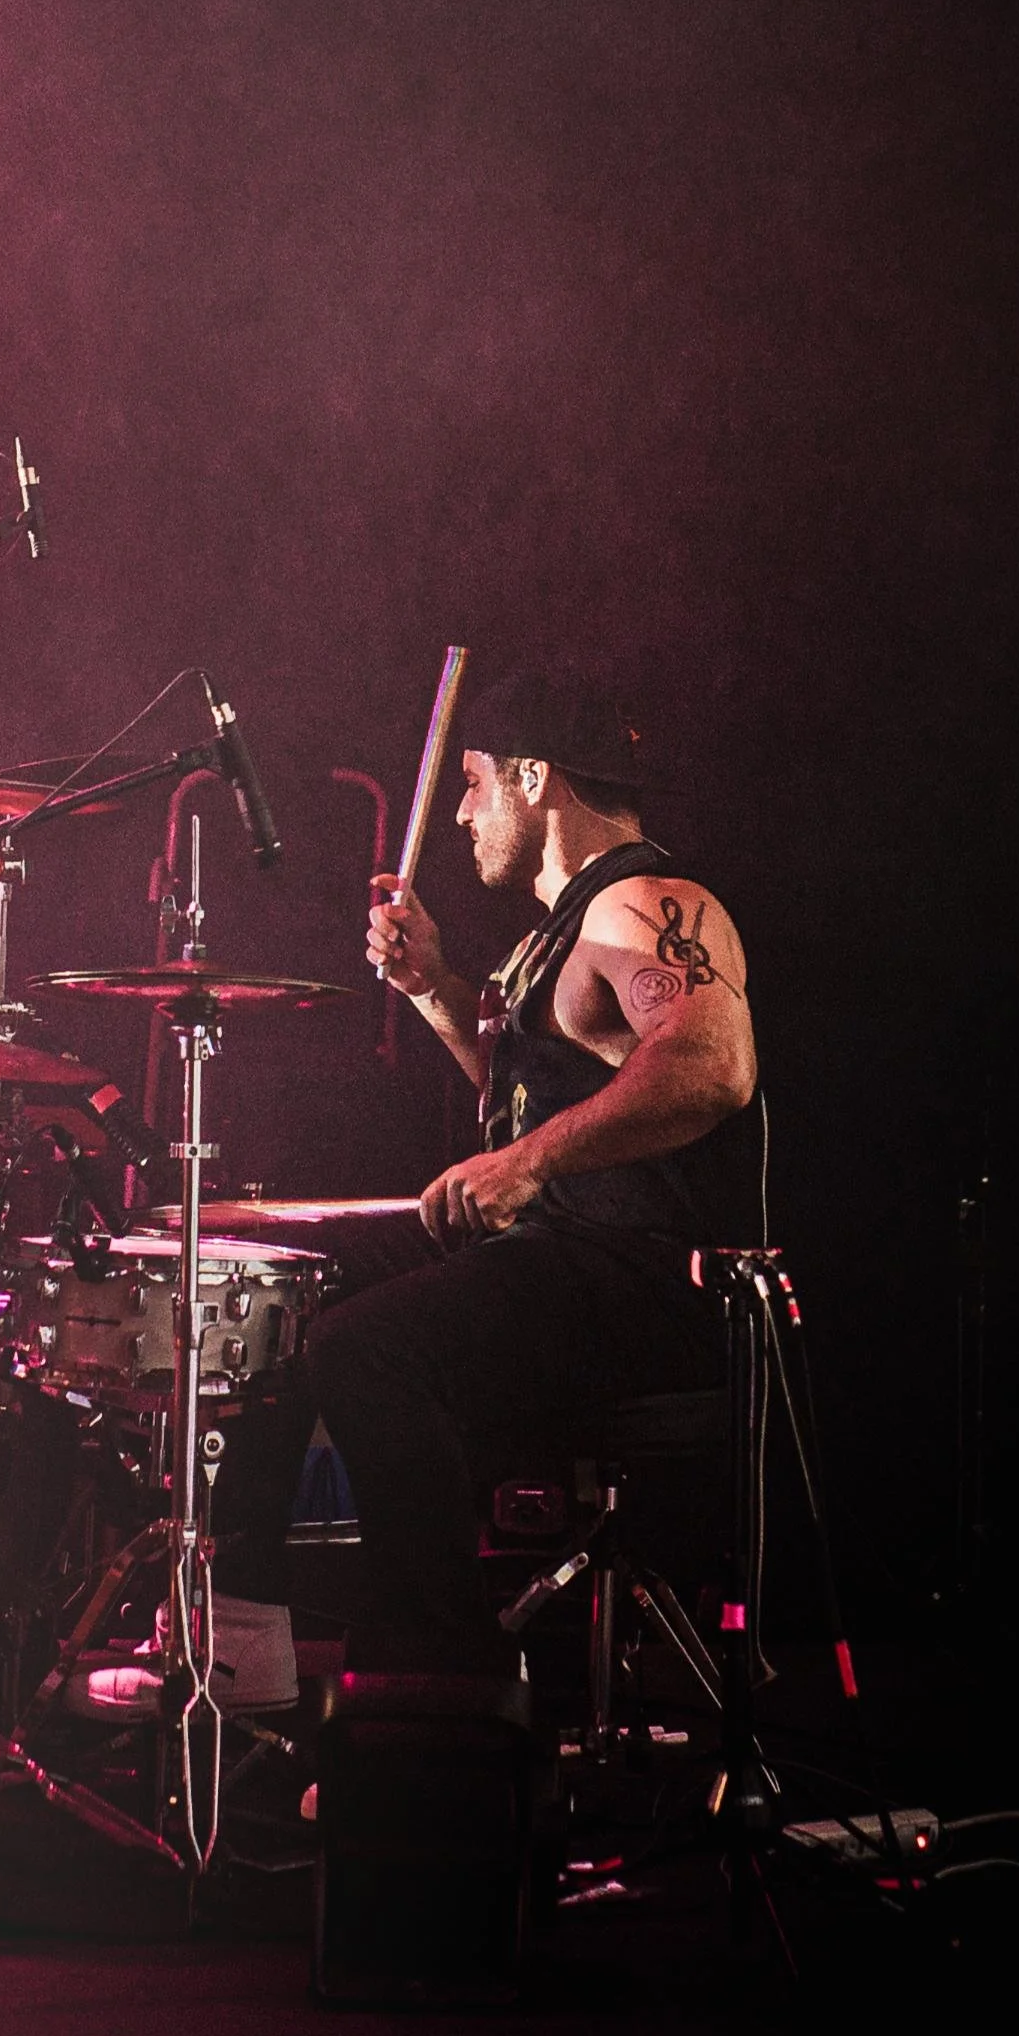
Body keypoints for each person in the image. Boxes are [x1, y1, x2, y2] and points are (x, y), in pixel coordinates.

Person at [306, 665, 760, 1673]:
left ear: (529, 775)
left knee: (364, 1349)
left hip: (631, 1277)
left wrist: (524, 1160)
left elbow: (711, 1063)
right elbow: (530, 1097)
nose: (461, 811)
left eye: (472, 782)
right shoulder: (557, 934)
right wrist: (431, 987)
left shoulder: (645, 902)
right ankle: (251, 1615)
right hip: (558, 1262)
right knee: (293, 1287)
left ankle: (439, 1676)